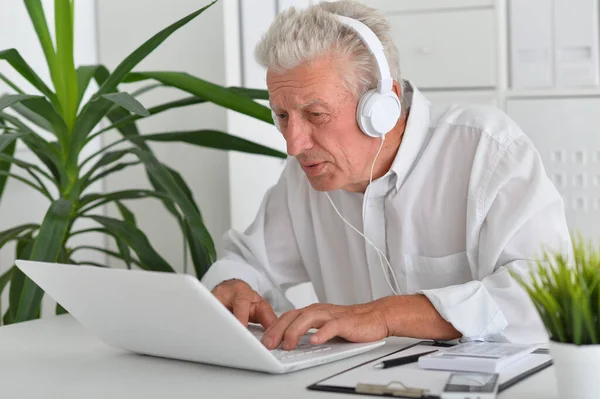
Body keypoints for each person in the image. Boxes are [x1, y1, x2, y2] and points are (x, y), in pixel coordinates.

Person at [201, 0, 571, 351]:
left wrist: (385, 315)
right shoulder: (308, 175)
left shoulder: (486, 149)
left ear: (381, 107)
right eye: (282, 116)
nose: (294, 144)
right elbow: (248, 259)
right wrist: (234, 283)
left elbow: (545, 296)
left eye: (315, 115)